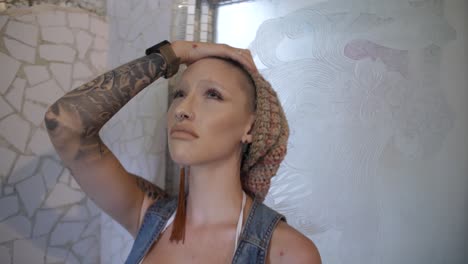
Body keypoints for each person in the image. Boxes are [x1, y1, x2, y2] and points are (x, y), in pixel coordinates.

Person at [44, 40, 321, 263]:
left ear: (251, 126)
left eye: (212, 94)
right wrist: (176, 52)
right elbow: (65, 122)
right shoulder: (148, 214)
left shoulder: (288, 253)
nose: (182, 109)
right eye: (179, 94)